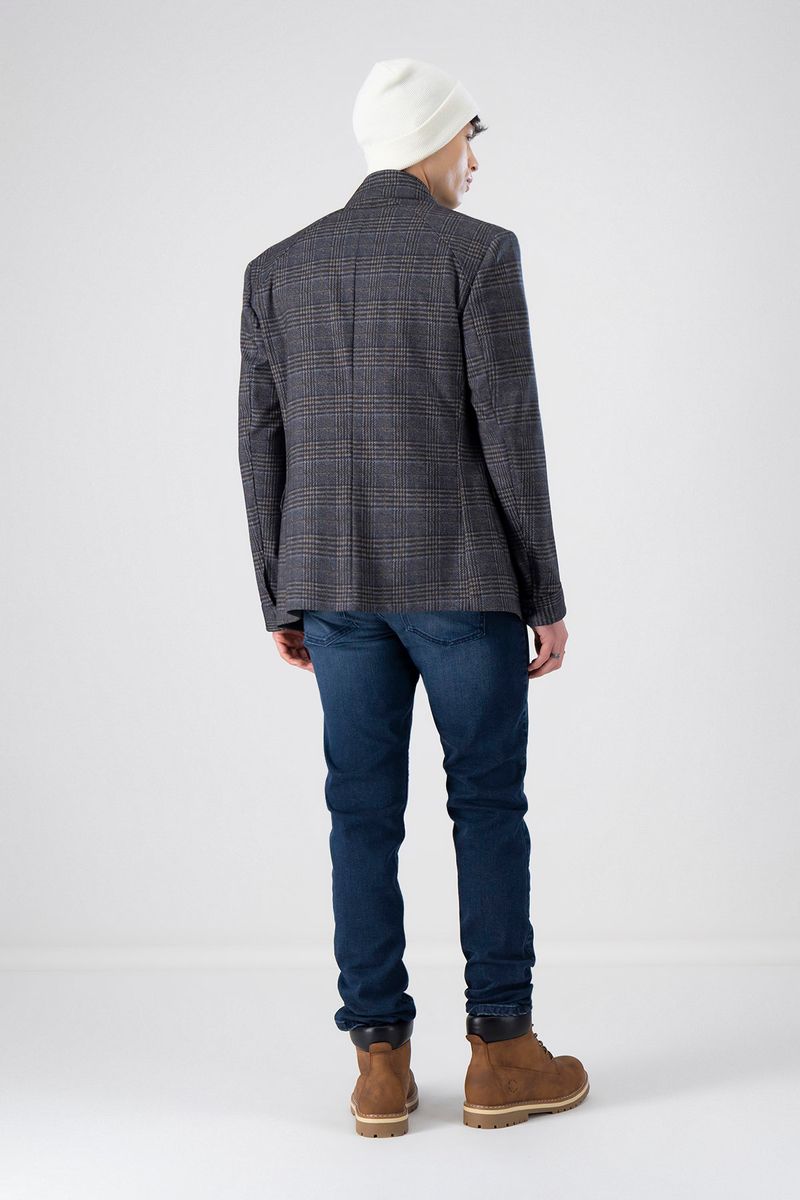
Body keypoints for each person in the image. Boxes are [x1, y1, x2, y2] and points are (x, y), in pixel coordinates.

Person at [237, 56, 589, 1136]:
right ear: (434, 139)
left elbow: (259, 442)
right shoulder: (478, 254)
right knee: (486, 804)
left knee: (359, 813)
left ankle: (378, 1068)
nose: (474, 161)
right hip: (464, 583)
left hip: (333, 587)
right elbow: (510, 433)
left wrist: (281, 595)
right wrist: (542, 590)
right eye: (468, 139)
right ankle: (503, 1055)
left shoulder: (277, 269)